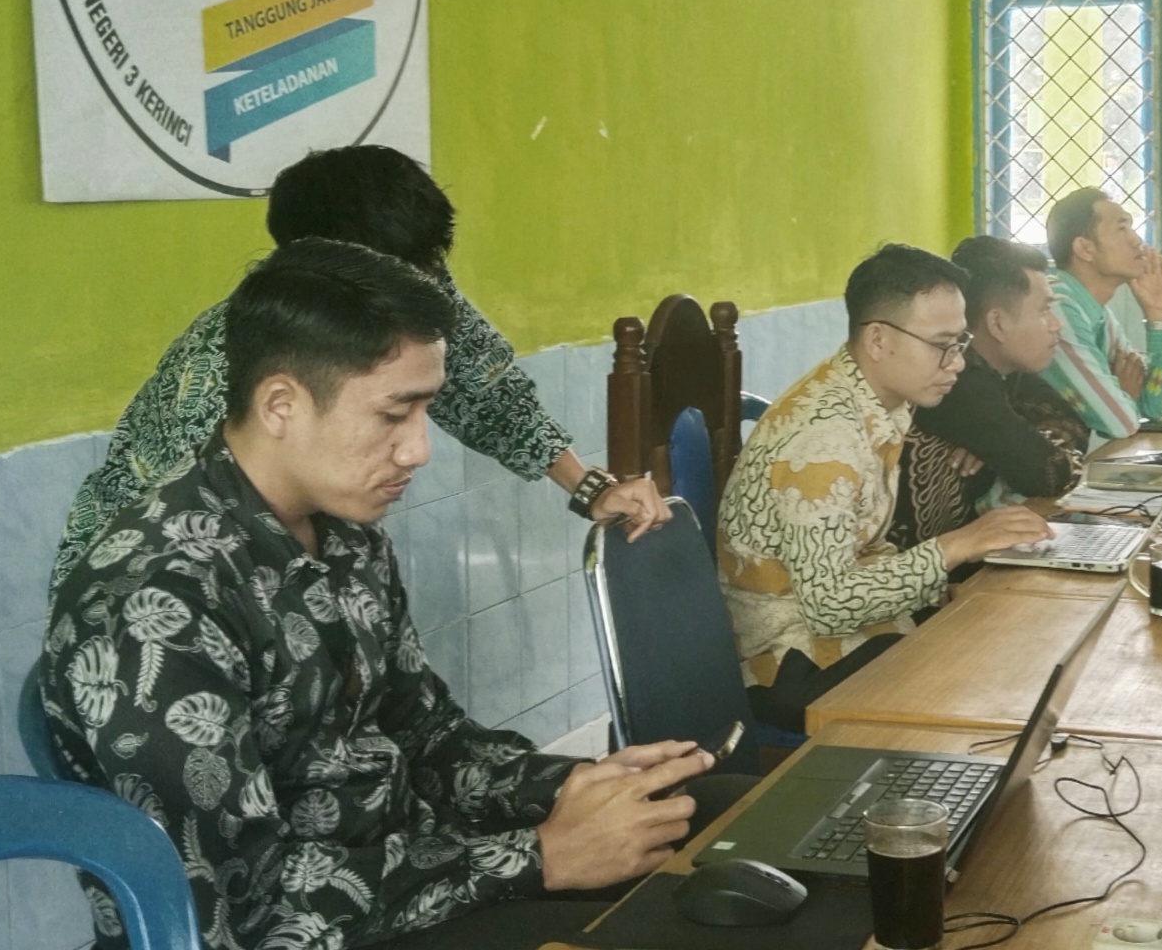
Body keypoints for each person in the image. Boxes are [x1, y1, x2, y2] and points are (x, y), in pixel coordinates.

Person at [42, 240, 741, 950]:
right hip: (309, 931)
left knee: (722, 821)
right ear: (281, 405)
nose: (418, 450)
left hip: (412, 875)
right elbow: (235, 906)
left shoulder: (345, 535)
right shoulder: (154, 599)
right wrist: (541, 857)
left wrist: (570, 788)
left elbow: (428, 740)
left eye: (425, 411)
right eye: (392, 415)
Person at [53, 145, 667, 599]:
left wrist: (591, 489)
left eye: (431, 264)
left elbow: (488, 392)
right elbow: (176, 564)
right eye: (395, 413)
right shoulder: (225, 371)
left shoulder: (407, 287)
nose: (415, 450)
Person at [717, 243, 1053, 731]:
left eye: (961, 343)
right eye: (942, 345)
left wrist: (937, 580)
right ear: (878, 339)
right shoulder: (823, 440)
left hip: (853, 632)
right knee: (982, 687)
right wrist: (954, 547)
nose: (958, 363)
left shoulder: (874, 398)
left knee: (1003, 636)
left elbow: (864, 551)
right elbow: (830, 605)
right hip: (792, 662)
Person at [895, 237, 1089, 549]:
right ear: (997, 323)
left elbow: (1074, 424)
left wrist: (1003, 445)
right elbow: (1052, 474)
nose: (1056, 325)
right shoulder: (959, 382)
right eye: (1044, 310)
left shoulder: (1005, 371)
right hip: (920, 571)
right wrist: (1012, 444)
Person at [1040, 187, 1162, 440]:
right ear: (1085, 249)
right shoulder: (1056, 307)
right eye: (1121, 228)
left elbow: (1156, 409)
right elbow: (1120, 422)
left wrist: (1157, 315)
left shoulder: (1100, 315)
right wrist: (1126, 395)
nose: (1137, 240)